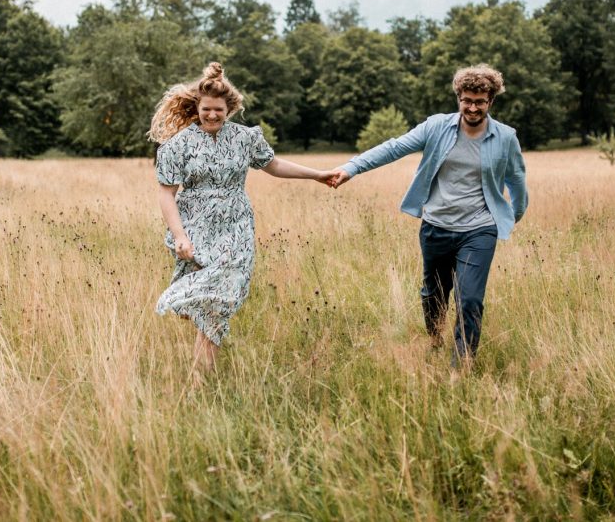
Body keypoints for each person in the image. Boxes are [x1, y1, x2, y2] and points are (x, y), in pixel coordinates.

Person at [328, 64, 528, 367]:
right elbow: (394, 148)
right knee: (433, 293)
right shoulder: (437, 127)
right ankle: (435, 336)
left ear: (491, 101)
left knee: (470, 299)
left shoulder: (505, 138)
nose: (473, 108)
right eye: (467, 100)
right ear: (458, 97)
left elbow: (517, 180)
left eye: (480, 102)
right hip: (436, 225)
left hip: (479, 229)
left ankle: (461, 366)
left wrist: (512, 215)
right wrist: (351, 168)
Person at [149, 62, 335, 376]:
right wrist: (180, 235)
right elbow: (166, 193)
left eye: (218, 110)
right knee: (209, 300)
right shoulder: (178, 145)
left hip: (236, 227)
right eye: (206, 109)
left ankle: (200, 374)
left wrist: (317, 175)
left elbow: (274, 165)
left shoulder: (245, 138)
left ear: (229, 109)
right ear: (197, 107)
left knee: (222, 297)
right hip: (196, 228)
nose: (212, 115)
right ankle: (201, 372)